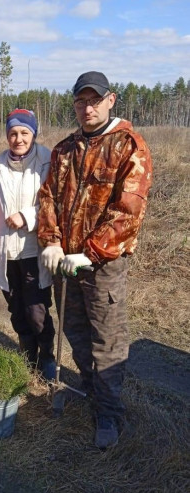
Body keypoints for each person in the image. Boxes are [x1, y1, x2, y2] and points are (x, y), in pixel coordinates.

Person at [38, 71, 153, 449]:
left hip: (103, 266)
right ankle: (89, 392)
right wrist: (52, 242)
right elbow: (48, 198)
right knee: (76, 333)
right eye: (80, 102)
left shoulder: (128, 146)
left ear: (110, 100)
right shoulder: (64, 149)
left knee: (107, 340)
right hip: (64, 265)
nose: (87, 108)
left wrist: (87, 254)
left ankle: (109, 413)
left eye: (94, 100)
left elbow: (128, 213)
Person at [0, 109, 56, 379]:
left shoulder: (47, 161)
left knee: (37, 310)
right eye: (13, 133)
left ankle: (47, 356)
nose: (18, 139)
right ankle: (28, 355)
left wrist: (27, 216)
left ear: (33, 133)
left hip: (35, 250)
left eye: (24, 133)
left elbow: (55, 202)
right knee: (16, 308)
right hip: (5, 252)